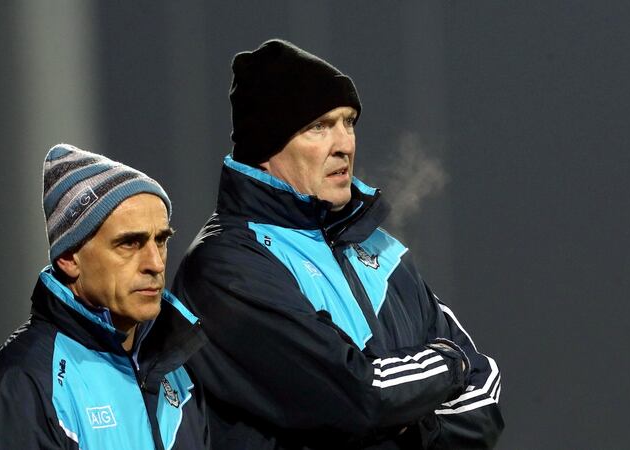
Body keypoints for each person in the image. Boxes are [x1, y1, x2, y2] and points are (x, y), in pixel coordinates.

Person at [172, 39, 504, 449]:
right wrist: (449, 363)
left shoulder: (383, 251)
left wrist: (416, 429)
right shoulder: (226, 265)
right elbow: (359, 395)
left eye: (348, 123)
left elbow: (485, 394)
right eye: (319, 126)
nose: (344, 144)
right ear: (265, 146)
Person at [0, 144, 209, 449]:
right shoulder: (20, 385)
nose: (155, 263)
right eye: (130, 243)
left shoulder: (178, 370)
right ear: (68, 256)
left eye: (161, 240)